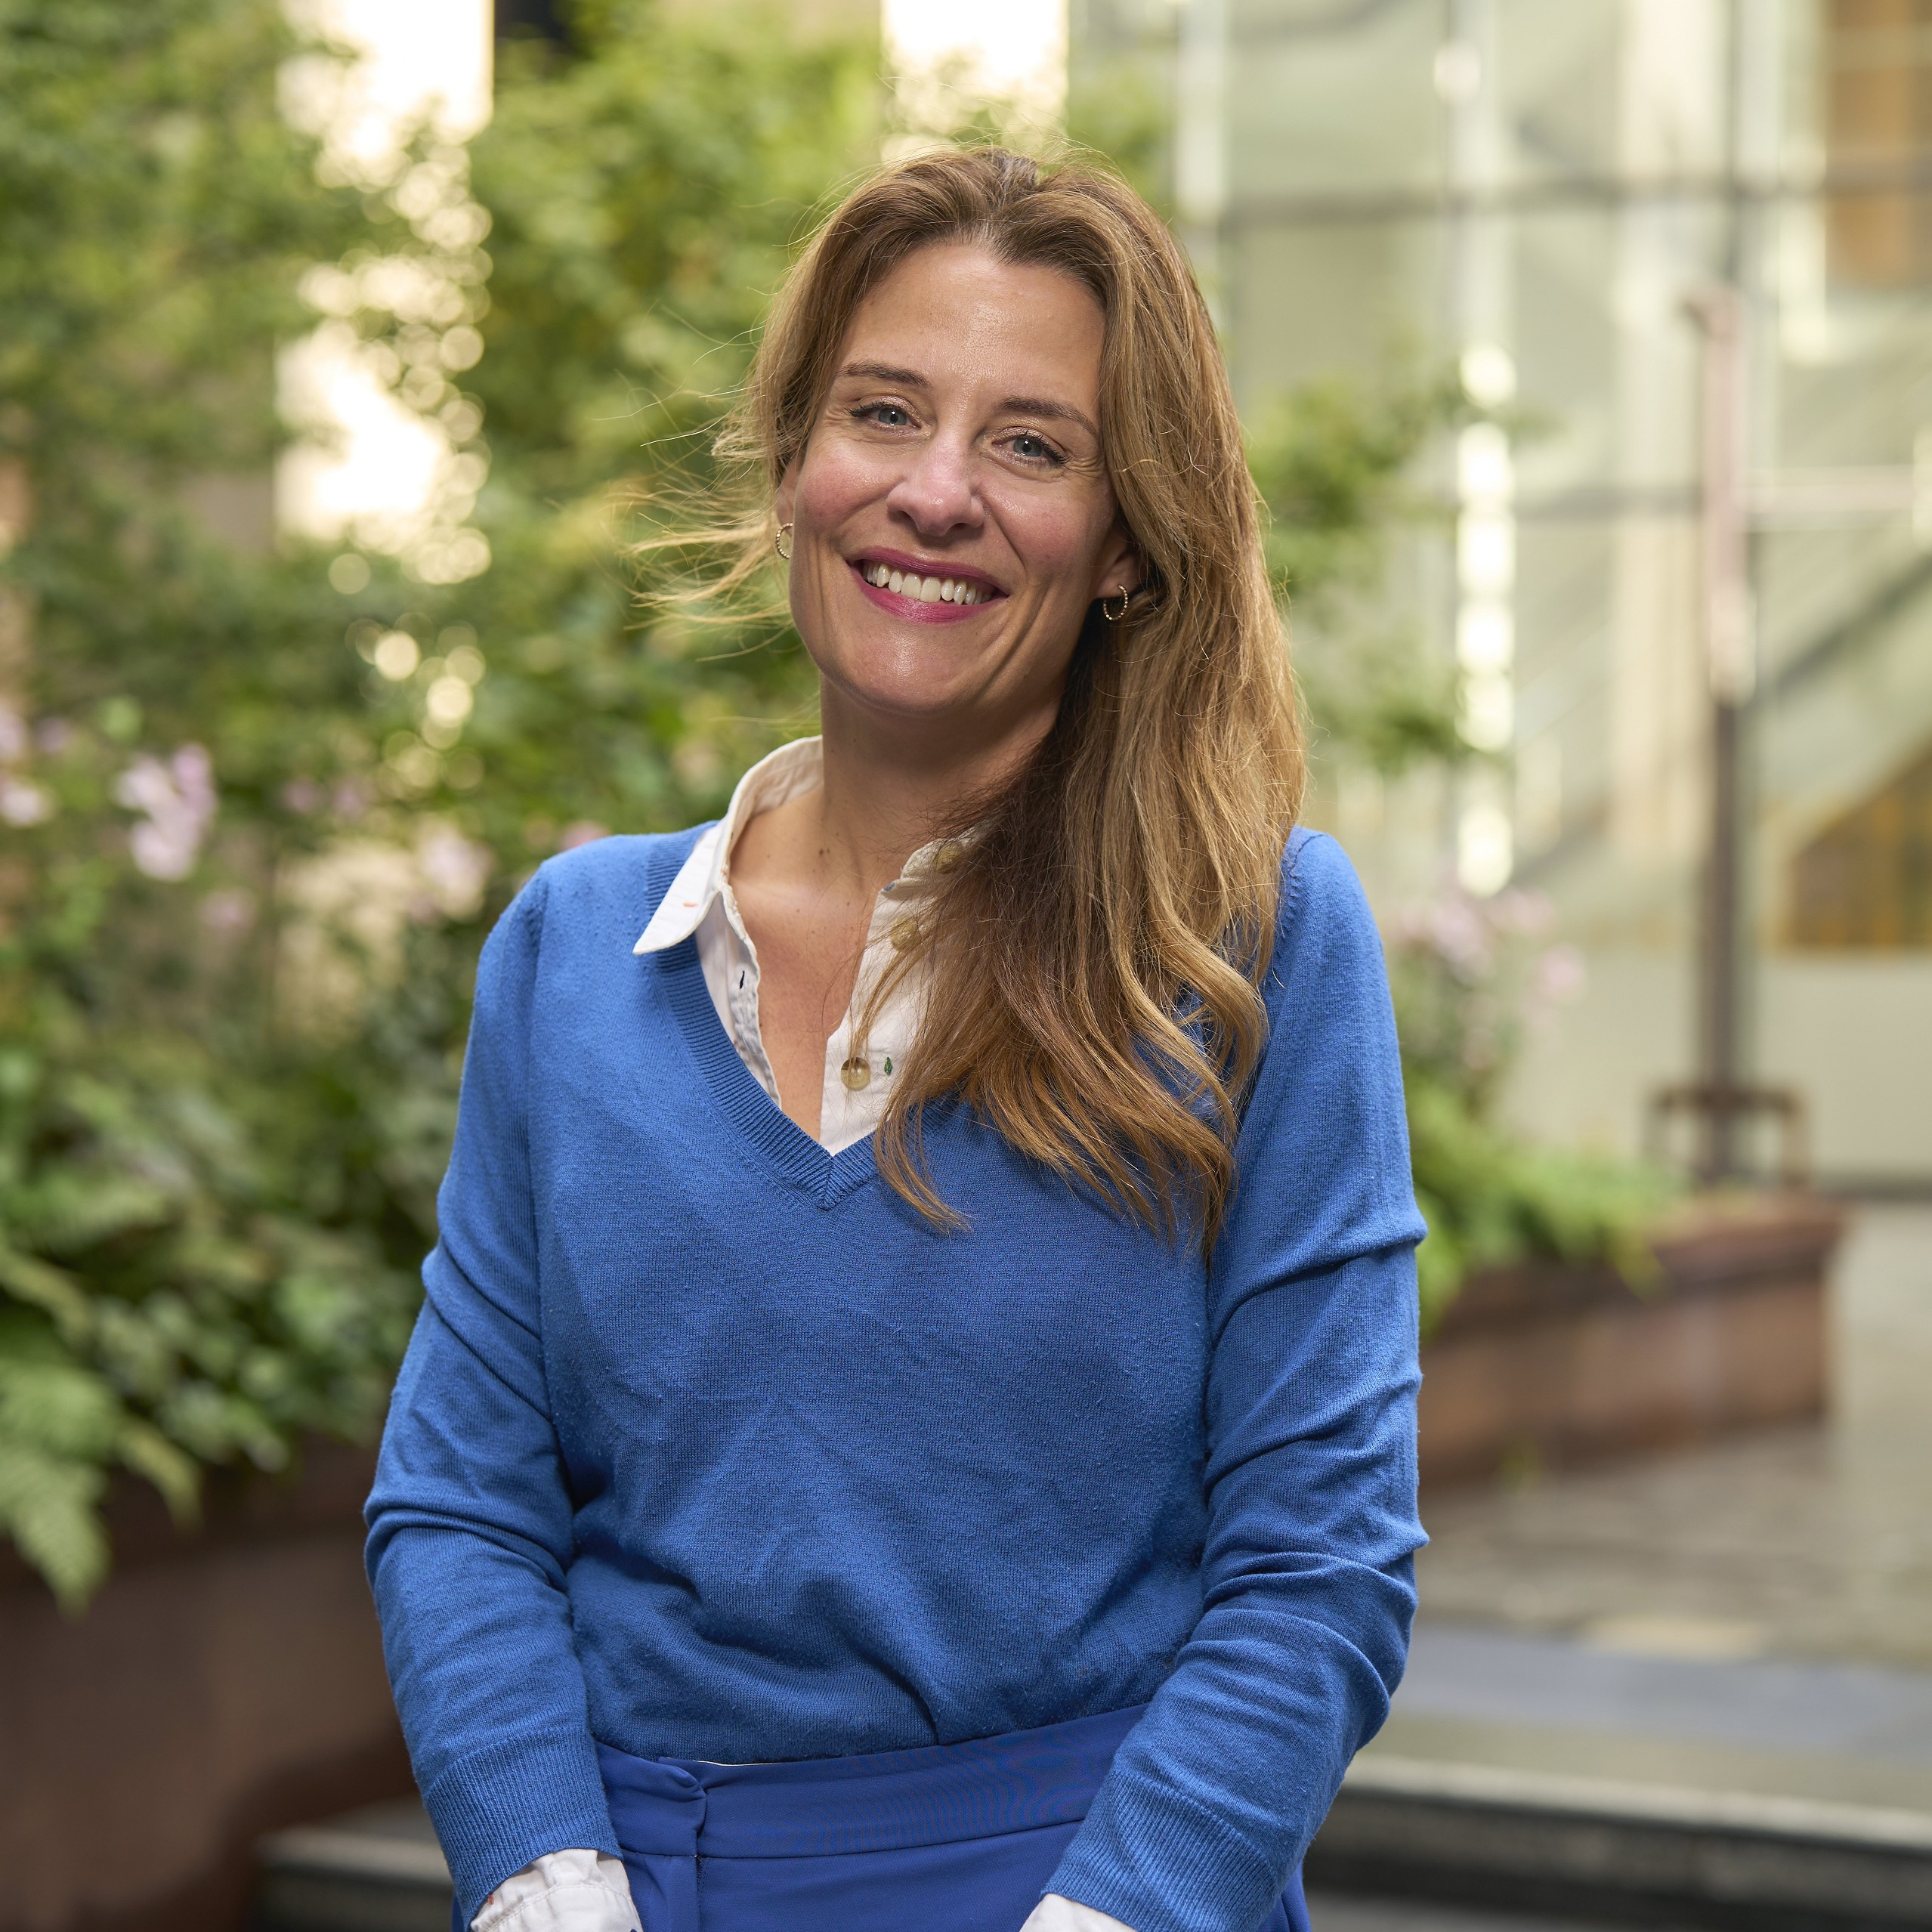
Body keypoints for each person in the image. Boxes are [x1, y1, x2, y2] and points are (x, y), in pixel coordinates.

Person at [365, 145, 1426, 1932]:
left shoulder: (1250, 948)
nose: (936, 494)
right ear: (794, 460)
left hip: (1085, 1895)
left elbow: (1321, 1572)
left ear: (1125, 547)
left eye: (1031, 445)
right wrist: (550, 1886)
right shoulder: (572, 951)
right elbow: (459, 1508)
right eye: (884, 412)